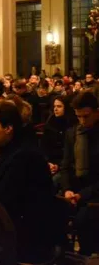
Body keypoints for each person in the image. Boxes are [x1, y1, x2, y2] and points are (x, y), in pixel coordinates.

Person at [0, 101, 56, 263]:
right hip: (10, 230)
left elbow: (3, 203)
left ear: (8, 129)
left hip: (25, 240)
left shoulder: (24, 157)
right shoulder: (7, 152)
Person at [60, 91, 99, 255]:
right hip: (75, 190)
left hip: (94, 191)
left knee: (85, 218)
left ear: (97, 112)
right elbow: (65, 166)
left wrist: (82, 195)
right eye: (79, 116)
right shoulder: (73, 133)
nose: (82, 121)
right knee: (52, 212)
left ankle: (86, 253)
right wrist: (67, 189)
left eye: (86, 116)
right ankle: (65, 254)